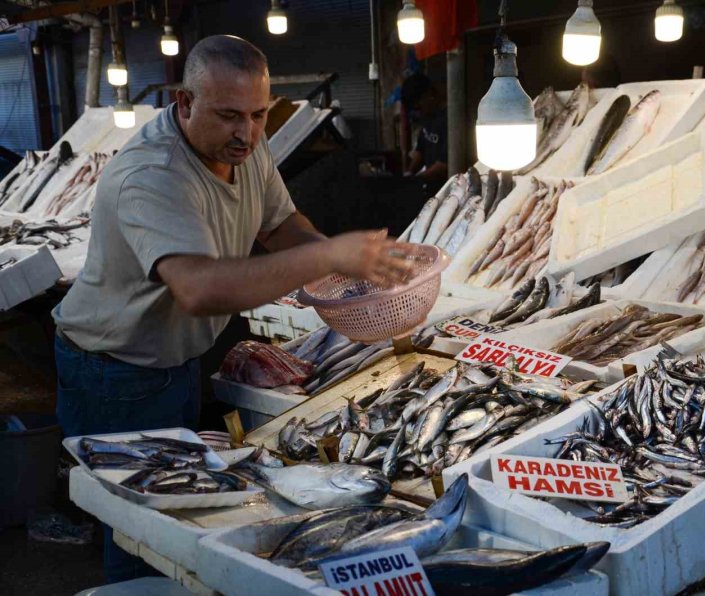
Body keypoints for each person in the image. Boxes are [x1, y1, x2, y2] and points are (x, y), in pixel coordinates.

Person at [52, 35, 413, 583]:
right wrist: (328, 254)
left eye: (258, 115)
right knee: (140, 533)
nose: (246, 133)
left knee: (179, 519)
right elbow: (197, 288)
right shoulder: (152, 174)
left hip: (173, 362)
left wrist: (344, 271)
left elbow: (279, 225)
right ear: (183, 101)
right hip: (112, 372)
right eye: (227, 116)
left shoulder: (244, 146)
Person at [400, 73, 448, 183]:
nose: (418, 113)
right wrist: (409, 173)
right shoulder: (428, 116)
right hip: (429, 183)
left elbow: (444, 164)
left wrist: (416, 180)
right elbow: (421, 150)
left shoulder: (449, 121)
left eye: (418, 107)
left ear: (429, 95)